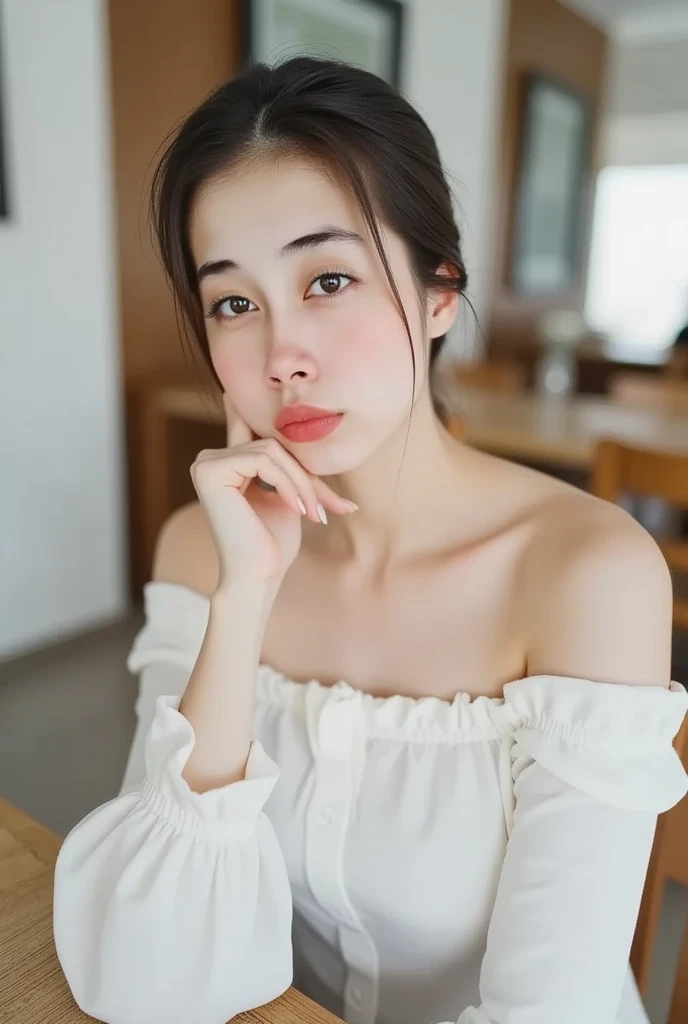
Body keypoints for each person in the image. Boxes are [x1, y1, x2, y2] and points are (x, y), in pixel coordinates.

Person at [53, 57, 688, 1024]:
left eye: (331, 278)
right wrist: (245, 598)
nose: (280, 357)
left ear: (440, 295)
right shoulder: (203, 549)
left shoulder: (588, 577)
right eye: (234, 302)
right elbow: (145, 967)